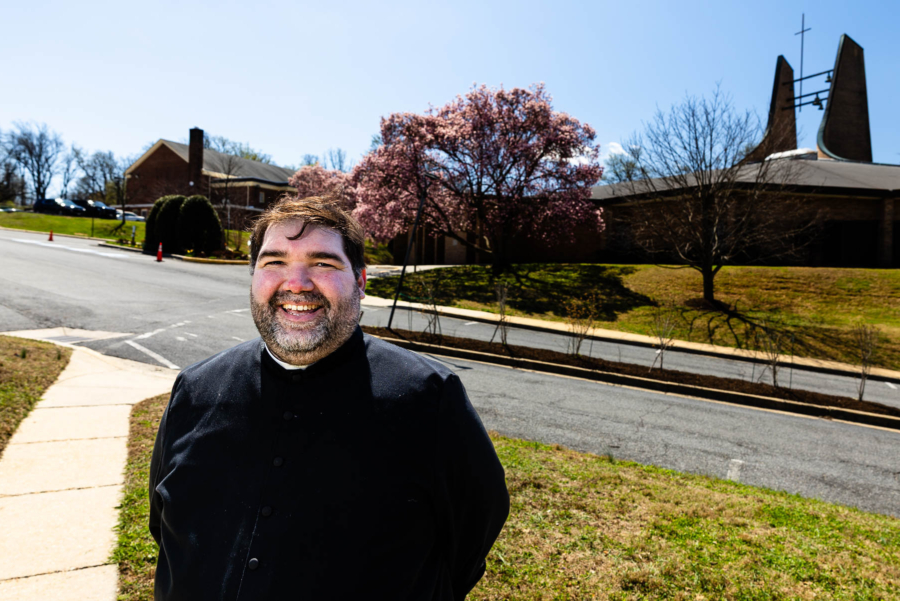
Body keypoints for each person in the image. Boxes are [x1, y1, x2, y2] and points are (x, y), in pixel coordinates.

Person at [149, 196, 509, 600]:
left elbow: (471, 536)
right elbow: (164, 527)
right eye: (274, 262)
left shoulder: (430, 400)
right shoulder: (194, 390)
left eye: (323, 263)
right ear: (253, 276)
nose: (297, 283)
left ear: (361, 280)